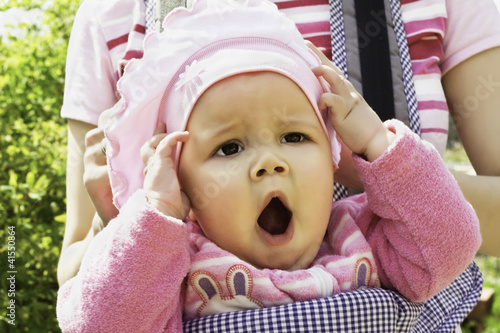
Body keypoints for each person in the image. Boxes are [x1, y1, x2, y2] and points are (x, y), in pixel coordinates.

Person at [56, 1, 481, 331]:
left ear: (335, 161)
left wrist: (376, 147)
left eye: (295, 137)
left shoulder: (363, 238)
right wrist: (153, 216)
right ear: (185, 184)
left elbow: (451, 243)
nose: (269, 163)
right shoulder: (170, 267)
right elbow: (101, 324)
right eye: (229, 148)